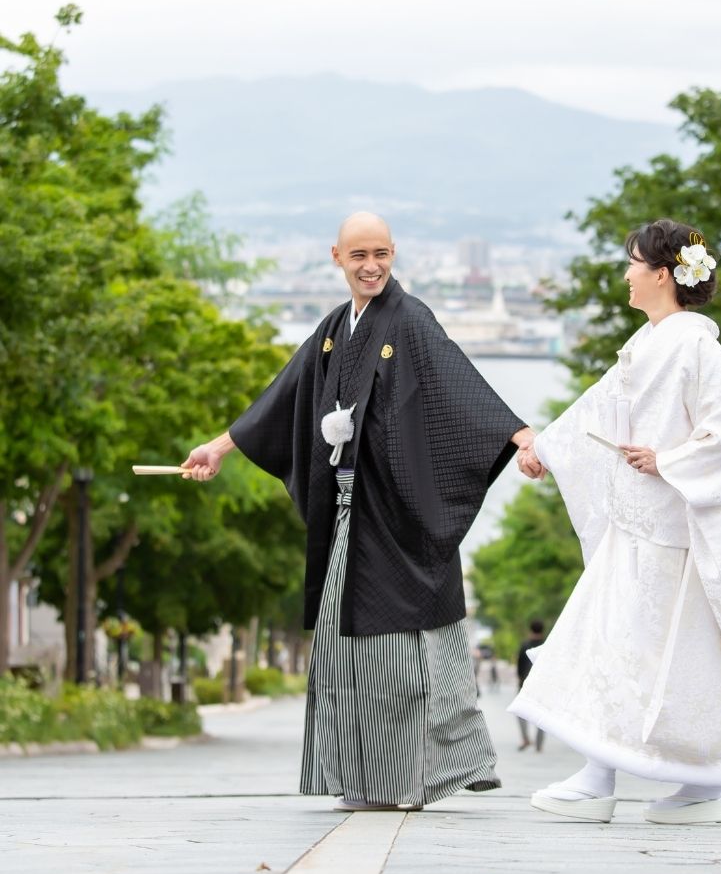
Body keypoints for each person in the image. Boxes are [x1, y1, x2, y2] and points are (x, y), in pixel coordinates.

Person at [183, 211, 540, 810]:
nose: (371, 266)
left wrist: (519, 435)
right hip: (345, 515)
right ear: (336, 257)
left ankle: (405, 782)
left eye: (381, 254)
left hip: (394, 517)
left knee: (397, 657)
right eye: (358, 256)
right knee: (338, 651)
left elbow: (458, 381)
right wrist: (218, 448)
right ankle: (354, 778)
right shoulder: (332, 329)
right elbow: (283, 394)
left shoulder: (411, 319)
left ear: (394, 254)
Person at [510, 218, 721, 825]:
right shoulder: (650, 343)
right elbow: (598, 406)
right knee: (615, 645)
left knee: (642, 651)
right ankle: (645, 781)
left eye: (633, 264)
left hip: (670, 537)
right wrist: (546, 446)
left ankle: (647, 783)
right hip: (637, 529)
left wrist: (668, 458)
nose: (626, 274)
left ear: (662, 275)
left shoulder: (699, 350)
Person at [515, 620, 546, 751]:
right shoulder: (547, 645)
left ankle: (526, 738)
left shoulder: (525, 645)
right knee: (542, 714)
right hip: (542, 684)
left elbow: (519, 666)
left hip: (525, 683)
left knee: (520, 711)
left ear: (530, 629)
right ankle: (539, 745)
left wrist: (520, 680)